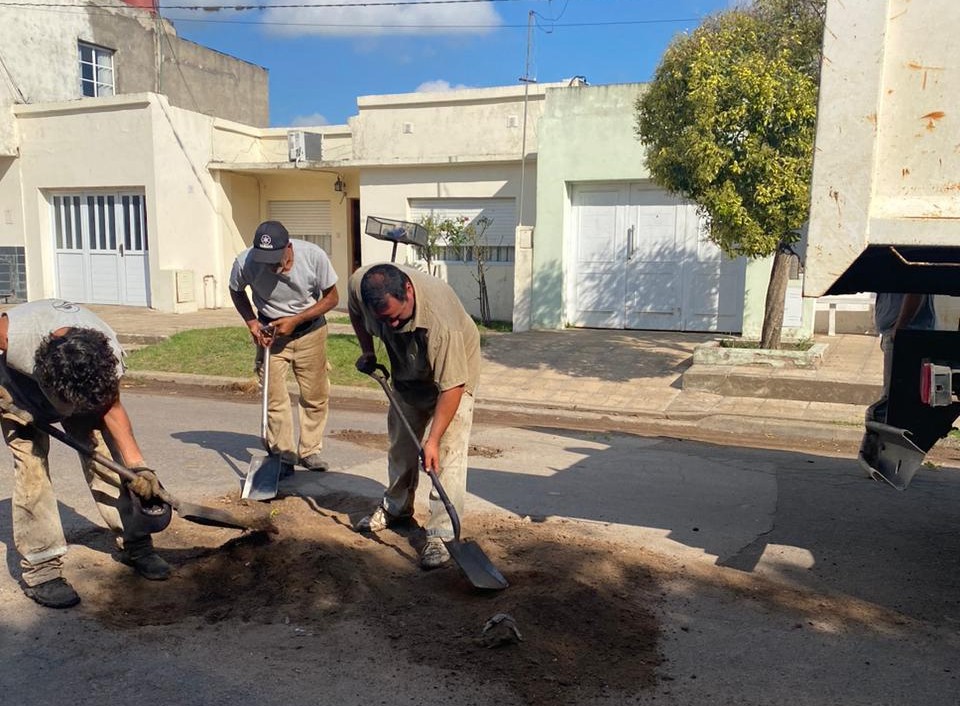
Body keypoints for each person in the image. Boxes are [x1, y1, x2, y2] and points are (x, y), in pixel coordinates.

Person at [0, 299, 171, 609]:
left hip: (81, 388)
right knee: (31, 470)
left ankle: (135, 543)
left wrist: (139, 468)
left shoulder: (106, 359)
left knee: (105, 456)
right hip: (18, 393)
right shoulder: (14, 333)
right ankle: (42, 569)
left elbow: (113, 409)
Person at [348, 263, 480, 570]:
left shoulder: (441, 321)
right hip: (407, 370)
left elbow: (452, 386)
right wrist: (368, 351)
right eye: (384, 319)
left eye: (396, 316)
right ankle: (397, 507)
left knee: (446, 452)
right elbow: (355, 312)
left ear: (408, 290)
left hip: (454, 375)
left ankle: (442, 533)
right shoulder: (359, 285)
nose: (391, 324)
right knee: (401, 445)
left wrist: (432, 440)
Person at [229, 220, 339, 472]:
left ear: (289, 247)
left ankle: (310, 451)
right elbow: (236, 290)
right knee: (274, 398)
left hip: (310, 332)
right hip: (270, 335)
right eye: (265, 260)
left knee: (315, 396)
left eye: (275, 259)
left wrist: (296, 320)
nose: (270, 266)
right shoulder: (245, 262)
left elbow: (332, 298)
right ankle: (284, 455)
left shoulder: (313, 257)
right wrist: (252, 323)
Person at [859, 292, 936, 467]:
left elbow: (915, 292)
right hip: (896, 331)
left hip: (907, 332)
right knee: (895, 399)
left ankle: (879, 456)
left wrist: (900, 326)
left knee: (891, 400)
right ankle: (885, 457)